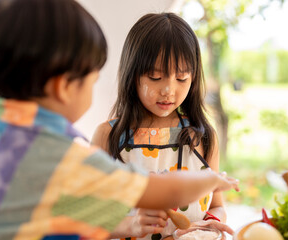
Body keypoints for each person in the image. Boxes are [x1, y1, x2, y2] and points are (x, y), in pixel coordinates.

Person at [0, 0, 239, 239]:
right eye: (92, 79)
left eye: (181, 78)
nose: (168, 88)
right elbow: (158, 191)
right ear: (63, 86)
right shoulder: (58, 154)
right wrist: (213, 180)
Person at [92, 13, 233, 240]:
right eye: (155, 77)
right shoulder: (108, 136)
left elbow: (217, 205)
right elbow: (89, 218)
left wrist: (209, 225)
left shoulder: (203, 138)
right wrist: (131, 224)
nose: (168, 90)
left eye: (181, 78)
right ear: (132, 74)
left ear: (194, 78)